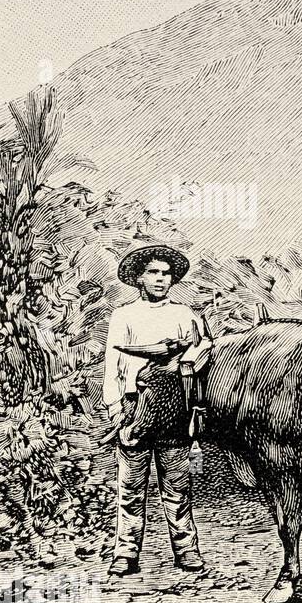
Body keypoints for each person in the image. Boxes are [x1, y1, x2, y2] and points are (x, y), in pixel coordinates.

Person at [102, 244, 206, 578]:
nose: (160, 279)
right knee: (131, 489)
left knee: (177, 488)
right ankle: (125, 553)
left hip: (173, 409)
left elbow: (202, 352)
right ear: (139, 278)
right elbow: (113, 365)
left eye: (165, 273)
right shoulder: (124, 315)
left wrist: (190, 353)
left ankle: (187, 552)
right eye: (153, 273)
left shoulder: (184, 315)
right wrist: (116, 410)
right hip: (135, 408)